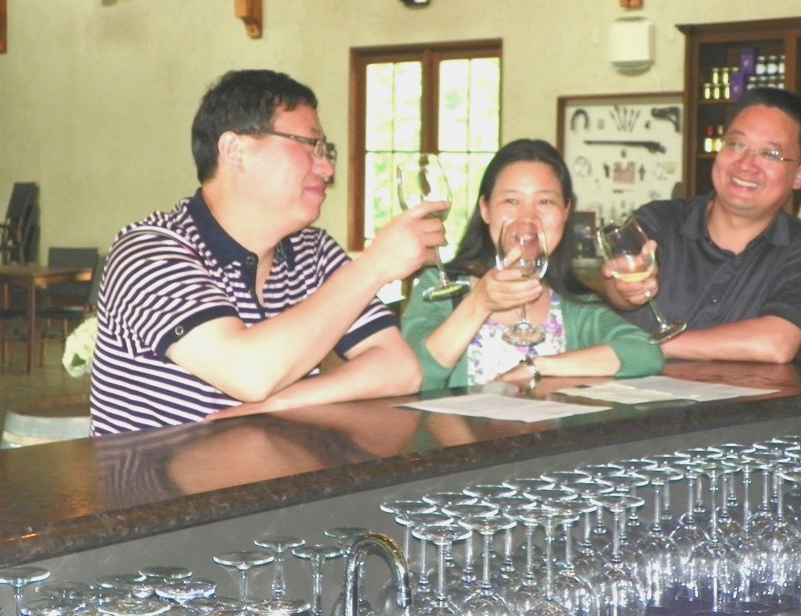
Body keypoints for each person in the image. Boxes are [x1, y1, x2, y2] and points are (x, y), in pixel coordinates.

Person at [90, 69, 437, 434]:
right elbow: (248, 374)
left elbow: (400, 369)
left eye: (325, 151)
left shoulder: (312, 251)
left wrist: (281, 403)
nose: (327, 168)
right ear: (235, 151)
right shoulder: (149, 253)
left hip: (277, 480)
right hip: (155, 488)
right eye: (309, 145)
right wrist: (374, 266)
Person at [402, 139, 664, 390]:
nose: (527, 218)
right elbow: (414, 375)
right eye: (511, 201)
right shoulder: (438, 286)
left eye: (545, 201)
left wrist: (538, 367)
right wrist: (478, 303)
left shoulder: (573, 305)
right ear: (485, 209)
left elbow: (645, 353)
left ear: (565, 212)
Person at [603, 87, 801, 363]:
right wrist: (626, 290)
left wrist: (648, 345)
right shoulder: (660, 221)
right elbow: (617, 290)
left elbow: (776, 343)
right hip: (637, 400)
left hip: (745, 404)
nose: (746, 164)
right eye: (736, 145)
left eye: (769, 154)